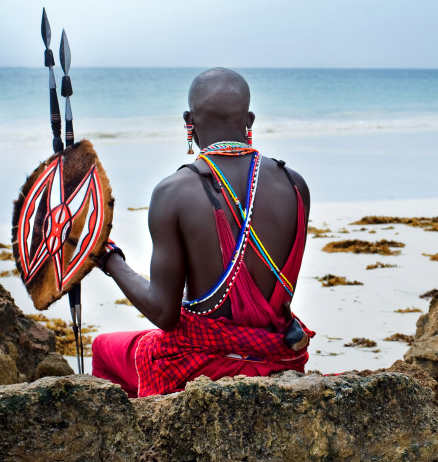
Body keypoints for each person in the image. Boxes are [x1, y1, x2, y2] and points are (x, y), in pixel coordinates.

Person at [91, 67, 313, 397]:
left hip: (200, 367)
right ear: (249, 120)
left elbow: (164, 314)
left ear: (188, 122)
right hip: (279, 358)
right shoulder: (296, 185)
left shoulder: (174, 192)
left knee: (102, 347)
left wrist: (109, 258)